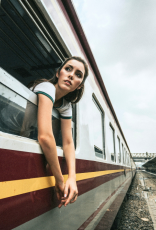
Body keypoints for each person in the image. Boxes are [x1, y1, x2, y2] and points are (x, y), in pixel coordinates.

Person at [30, 56, 88, 208]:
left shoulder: (66, 106)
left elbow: (69, 143)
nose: (71, 75)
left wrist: (72, 178)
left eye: (78, 74)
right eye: (68, 69)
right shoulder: (46, 86)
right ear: (58, 73)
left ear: (79, 86)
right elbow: (45, 137)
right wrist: (60, 180)